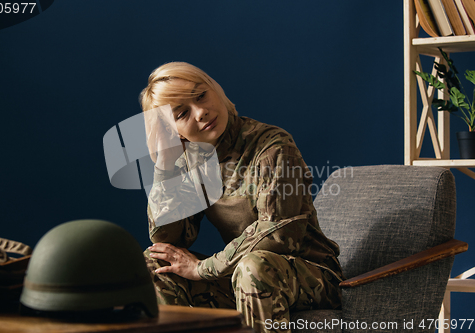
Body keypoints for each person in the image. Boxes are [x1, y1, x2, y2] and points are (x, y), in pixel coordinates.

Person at [140, 62, 343, 333]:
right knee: (155, 264)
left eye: (201, 96)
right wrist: (165, 168)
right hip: (242, 275)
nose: (201, 113)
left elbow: (278, 236)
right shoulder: (191, 161)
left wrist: (203, 269)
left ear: (216, 90)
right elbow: (170, 240)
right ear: (172, 131)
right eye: (182, 113)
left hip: (312, 276)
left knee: (254, 268)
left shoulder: (273, 146)